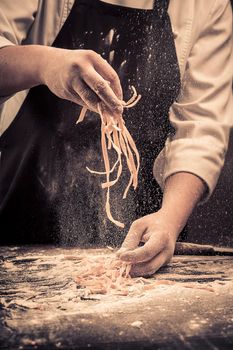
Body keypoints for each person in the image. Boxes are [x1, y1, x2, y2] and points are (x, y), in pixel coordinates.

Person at [0, 0, 232, 276]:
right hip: (20, 210)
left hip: (142, 236)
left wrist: (169, 220)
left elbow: (201, 127)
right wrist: (44, 64)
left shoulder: (209, 4)